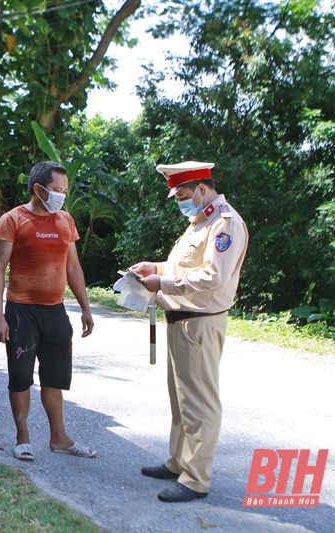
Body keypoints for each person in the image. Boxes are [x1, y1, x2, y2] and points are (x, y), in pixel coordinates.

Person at [130, 161, 249, 502]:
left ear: (201, 189)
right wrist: (155, 268)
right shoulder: (200, 221)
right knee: (181, 400)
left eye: (182, 194)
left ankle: (196, 479)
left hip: (199, 324)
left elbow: (214, 275)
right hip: (180, 322)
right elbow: (186, 265)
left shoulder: (225, 223)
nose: (180, 201)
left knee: (199, 403)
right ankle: (178, 461)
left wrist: (163, 281)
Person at [0, 161, 95, 462]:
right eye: (56, 190)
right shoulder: (12, 220)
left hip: (55, 312)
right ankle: (23, 438)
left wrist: (86, 308)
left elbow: (73, 266)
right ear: (38, 189)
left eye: (64, 191)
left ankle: (59, 438)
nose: (62, 196)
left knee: (55, 377)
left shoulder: (65, 221)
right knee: (21, 376)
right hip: (21, 312)